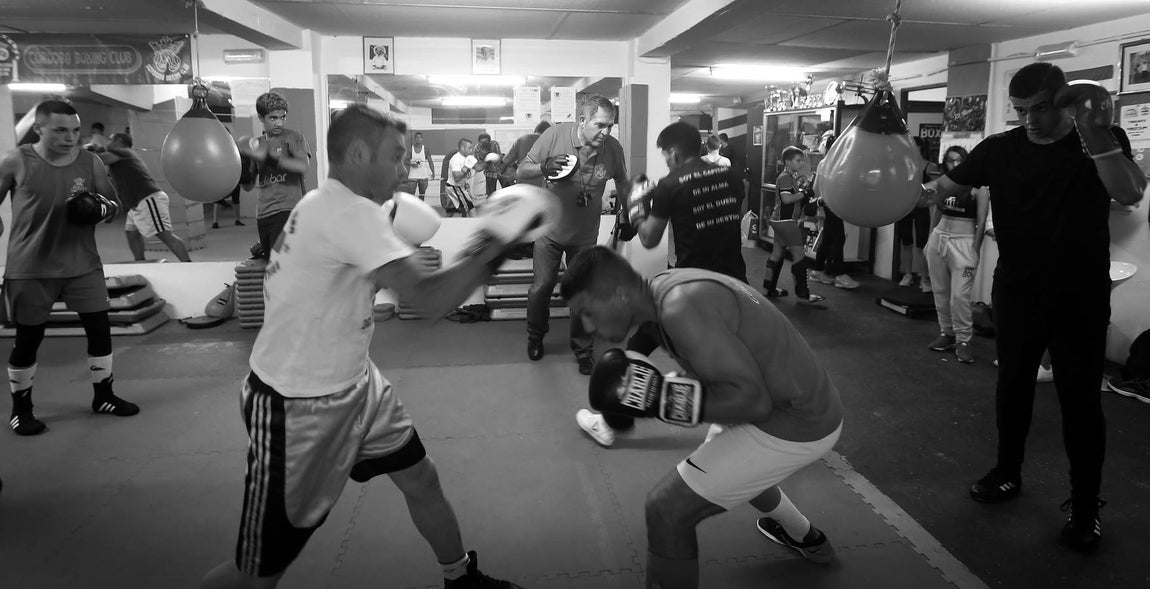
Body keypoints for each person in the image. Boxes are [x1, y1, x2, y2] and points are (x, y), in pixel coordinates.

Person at [198, 104, 543, 589]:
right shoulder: (350, 214)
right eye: (396, 156)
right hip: (298, 408)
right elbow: (426, 304)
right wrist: (495, 241)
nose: (406, 168)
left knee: (420, 478)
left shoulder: (325, 201)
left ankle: (460, 579)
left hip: (358, 385)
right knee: (258, 574)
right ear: (359, 154)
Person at [920, 63, 1145, 552]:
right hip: (1018, 289)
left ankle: (1086, 507)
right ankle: (1007, 473)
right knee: (1012, 386)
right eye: (1020, 111)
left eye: (1039, 109)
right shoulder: (999, 148)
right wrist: (887, 189)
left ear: (1065, 101)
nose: (1029, 121)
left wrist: (1097, 136)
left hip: (1080, 293)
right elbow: (942, 189)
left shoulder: (1101, 139)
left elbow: (1129, 192)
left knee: (1080, 401)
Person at [562, 246, 843, 589]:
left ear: (620, 294)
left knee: (666, 510)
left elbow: (752, 403)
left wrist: (660, 399)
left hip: (798, 419)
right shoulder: (663, 288)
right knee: (732, 463)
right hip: (802, 397)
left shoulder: (680, 308)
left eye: (588, 312)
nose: (587, 326)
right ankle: (806, 536)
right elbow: (717, 371)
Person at [575, 121, 748, 446]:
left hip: (691, 288)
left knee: (639, 346)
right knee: (729, 358)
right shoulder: (732, 177)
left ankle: (610, 424)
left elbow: (650, 238)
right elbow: (709, 216)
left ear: (671, 151)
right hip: (736, 285)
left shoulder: (672, 183)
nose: (665, 161)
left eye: (665, 155)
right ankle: (730, 425)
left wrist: (639, 205)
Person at [0, 100, 138, 436]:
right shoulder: (16, 160)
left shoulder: (89, 161)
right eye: (61, 130)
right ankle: (21, 410)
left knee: (100, 329)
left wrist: (99, 208)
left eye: (75, 130)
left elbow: (114, 206)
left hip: (82, 263)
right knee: (29, 338)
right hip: (31, 266)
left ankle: (103, 396)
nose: (70, 137)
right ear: (39, 128)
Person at [518, 95, 629, 373]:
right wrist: (543, 167)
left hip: (584, 235)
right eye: (600, 125)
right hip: (550, 231)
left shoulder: (612, 148)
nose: (606, 132)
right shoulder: (554, 136)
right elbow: (522, 170)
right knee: (541, 287)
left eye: (611, 126)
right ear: (582, 121)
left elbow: (623, 182)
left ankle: (583, 349)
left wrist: (627, 212)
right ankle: (535, 336)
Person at [921, 146, 988, 364]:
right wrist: (929, 239)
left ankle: (964, 340)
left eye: (959, 160)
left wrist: (975, 250)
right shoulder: (944, 184)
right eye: (950, 161)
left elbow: (981, 221)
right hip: (940, 238)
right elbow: (937, 212)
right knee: (940, 291)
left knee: (960, 296)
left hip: (964, 241)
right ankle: (947, 332)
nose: (954, 165)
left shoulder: (979, 187)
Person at [92, 133, 192, 262]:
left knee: (165, 235)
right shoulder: (123, 154)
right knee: (131, 233)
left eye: (110, 139)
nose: (107, 143)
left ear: (119, 140)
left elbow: (99, 160)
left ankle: (187, 264)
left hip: (148, 198)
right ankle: (140, 262)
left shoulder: (122, 151)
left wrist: (85, 153)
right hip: (138, 203)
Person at [238, 92, 312, 260]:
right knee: (270, 262)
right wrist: (242, 167)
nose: (279, 122)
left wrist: (268, 158)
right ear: (261, 117)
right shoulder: (257, 144)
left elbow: (302, 166)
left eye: (283, 117)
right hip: (264, 213)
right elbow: (248, 186)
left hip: (289, 209)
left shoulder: (293, 137)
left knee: (283, 263)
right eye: (273, 118)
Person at [762, 146, 824, 304]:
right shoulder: (785, 177)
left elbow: (790, 197)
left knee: (777, 254)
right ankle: (803, 295)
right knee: (799, 257)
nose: (801, 163)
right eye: (798, 160)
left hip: (779, 221)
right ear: (788, 162)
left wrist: (802, 192)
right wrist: (804, 193)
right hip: (786, 222)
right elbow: (786, 199)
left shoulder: (789, 177)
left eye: (801, 160)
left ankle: (768, 288)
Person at [501, 121, 551, 188]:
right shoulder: (550, 142)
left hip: (523, 185)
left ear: (535, 130)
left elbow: (506, 161)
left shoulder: (522, 139)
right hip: (542, 187)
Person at [445, 138, 477, 218]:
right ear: (462, 148)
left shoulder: (465, 158)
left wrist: (487, 161)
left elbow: (478, 167)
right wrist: (466, 167)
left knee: (451, 211)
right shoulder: (456, 159)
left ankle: (441, 226)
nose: (471, 150)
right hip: (455, 187)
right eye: (469, 148)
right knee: (472, 210)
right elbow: (456, 177)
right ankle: (475, 227)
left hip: (458, 187)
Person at [403, 131, 434, 201]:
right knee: (411, 194)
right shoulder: (411, 149)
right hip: (413, 175)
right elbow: (405, 161)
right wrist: (412, 164)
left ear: (422, 139)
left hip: (423, 175)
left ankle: (420, 209)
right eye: (417, 137)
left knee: (422, 194)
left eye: (420, 137)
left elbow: (430, 162)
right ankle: (412, 209)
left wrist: (433, 172)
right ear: (415, 139)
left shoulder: (426, 150)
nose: (418, 139)